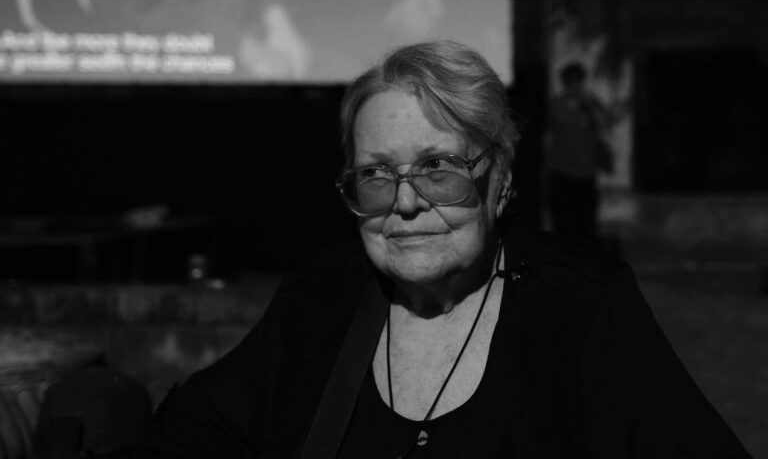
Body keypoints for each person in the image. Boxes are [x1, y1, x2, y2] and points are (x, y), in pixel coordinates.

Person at [136, 41, 751, 458]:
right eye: (376, 175)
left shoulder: (582, 303)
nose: (405, 204)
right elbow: (199, 427)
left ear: (499, 179)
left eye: (438, 168)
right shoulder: (325, 292)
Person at [546, 61, 618, 240]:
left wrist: (590, 104)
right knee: (562, 223)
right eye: (571, 82)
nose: (575, 86)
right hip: (561, 170)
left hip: (586, 172)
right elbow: (556, 122)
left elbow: (606, 123)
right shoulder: (557, 103)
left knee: (586, 223)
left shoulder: (591, 103)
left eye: (578, 81)